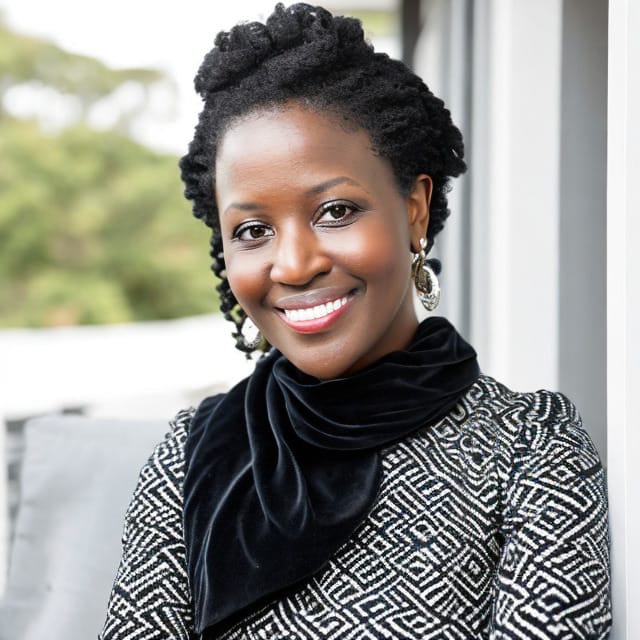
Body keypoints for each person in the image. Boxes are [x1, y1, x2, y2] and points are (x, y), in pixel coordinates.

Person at [100, 3, 611, 638]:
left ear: (415, 210)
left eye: (336, 211)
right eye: (253, 230)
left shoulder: (530, 449)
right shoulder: (190, 456)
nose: (293, 264)